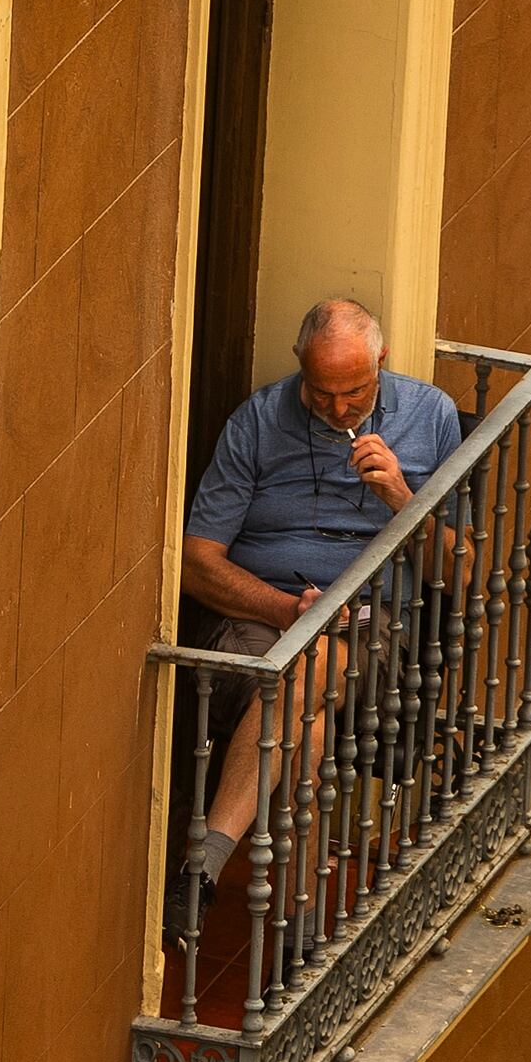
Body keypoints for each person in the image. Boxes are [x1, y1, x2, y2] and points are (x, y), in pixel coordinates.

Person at [177, 297, 462, 906]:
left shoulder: (430, 415)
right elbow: (196, 563)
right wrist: (285, 610)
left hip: (374, 626)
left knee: (312, 666)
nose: (337, 409)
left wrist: (402, 497)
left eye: (354, 392)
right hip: (262, 615)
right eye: (321, 392)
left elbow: (458, 573)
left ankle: (205, 863)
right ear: (298, 365)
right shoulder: (258, 420)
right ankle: (296, 927)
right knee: (308, 715)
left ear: (381, 361)